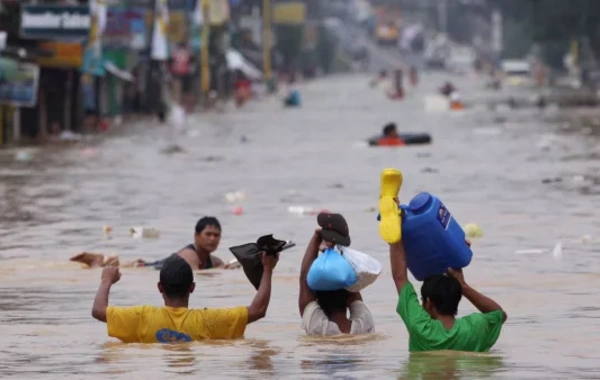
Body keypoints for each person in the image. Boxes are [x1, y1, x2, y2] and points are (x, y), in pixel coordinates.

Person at [91, 254, 278, 343]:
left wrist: (106, 280)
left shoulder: (142, 316)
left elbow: (98, 310)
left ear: (159, 288)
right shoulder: (208, 320)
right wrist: (268, 268)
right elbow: (258, 310)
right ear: (192, 288)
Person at [389, 236, 507, 352]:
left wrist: (394, 236)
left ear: (429, 304)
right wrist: (463, 286)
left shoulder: (421, 328)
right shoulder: (475, 328)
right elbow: (499, 314)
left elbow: (400, 278)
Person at [298, 213, 375, 336]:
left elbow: (304, 281)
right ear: (348, 297)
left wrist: (317, 236)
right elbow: (353, 287)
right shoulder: (364, 325)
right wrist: (339, 253)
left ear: (318, 301)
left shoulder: (319, 328)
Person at [71, 216, 227, 270]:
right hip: (149, 269)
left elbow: (219, 267)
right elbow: (195, 275)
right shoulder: (190, 255)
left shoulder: (212, 260)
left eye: (216, 235)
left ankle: (103, 261)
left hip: (146, 265)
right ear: (196, 236)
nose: (212, 239)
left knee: (116, 265)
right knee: (100, 269)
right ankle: (97, 262)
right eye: (208, 234)